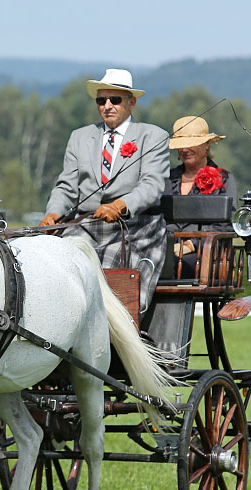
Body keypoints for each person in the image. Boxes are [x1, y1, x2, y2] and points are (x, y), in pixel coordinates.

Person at [41, 68, 170, 312]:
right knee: (62, 260)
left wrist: (121, 205)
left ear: (131, 103)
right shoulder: (79, 137)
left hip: (135, 227)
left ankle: (117, 327)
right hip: (87, 224)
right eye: (101, 100)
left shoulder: (153, 137)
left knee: (109, 266)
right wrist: (53, 213)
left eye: (115, 100)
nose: (107, 106)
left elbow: (152, 185)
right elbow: (67, 186)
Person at [163, 116, 238, 277]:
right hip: (165, 249)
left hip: (205, 252)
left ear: (207, 145)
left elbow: (226, 224)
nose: (185, 150)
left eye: (191, 145)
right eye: (181, 146)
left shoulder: (224, 179)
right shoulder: (167, 179)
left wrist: (192, 244)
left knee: (173, 265)